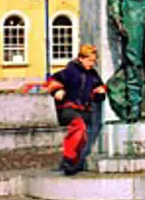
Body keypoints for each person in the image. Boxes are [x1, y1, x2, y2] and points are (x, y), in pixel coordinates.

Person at [46, 45, 107, 175]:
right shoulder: (70, 71)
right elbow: (52, 81)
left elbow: (99, 91)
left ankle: (72, 162)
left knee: (82, 136)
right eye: (89, 60)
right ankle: (68, 159)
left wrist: (100, 93)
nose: (92, 64)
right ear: (81, 58)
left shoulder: (93, 75)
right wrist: (57, 90)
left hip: (84, 110)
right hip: (68, 107)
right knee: (78, 127)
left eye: (94, 61)